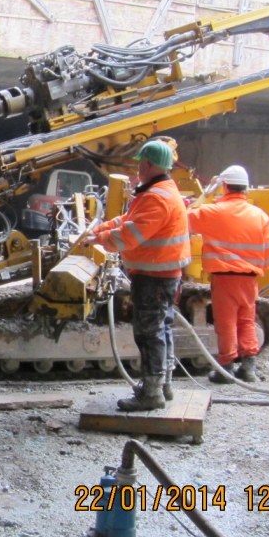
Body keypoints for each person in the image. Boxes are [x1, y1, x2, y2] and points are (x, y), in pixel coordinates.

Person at [82, 140, 191, 411]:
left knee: (149, 333)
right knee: (161, 328)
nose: (138, 168)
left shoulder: (156, 197)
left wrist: (98, 240)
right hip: (161, 273)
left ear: (149, 164)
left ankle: (151, 393)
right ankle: (163, 385)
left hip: (154, 275)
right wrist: (100, 230)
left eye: (141, 163)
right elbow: (128, 219)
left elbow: (131, 235)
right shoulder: (160, 191)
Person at [187, 165, 269, 383]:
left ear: (224, 186)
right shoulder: (260, 216)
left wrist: (207, 193)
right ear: (246, 188)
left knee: (226, 323)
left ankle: (225, 369)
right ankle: (248, 369)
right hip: (250, 279)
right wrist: (256, 270)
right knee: (246, 321)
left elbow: (185, 218)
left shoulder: (212, 212)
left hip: (225, 278)